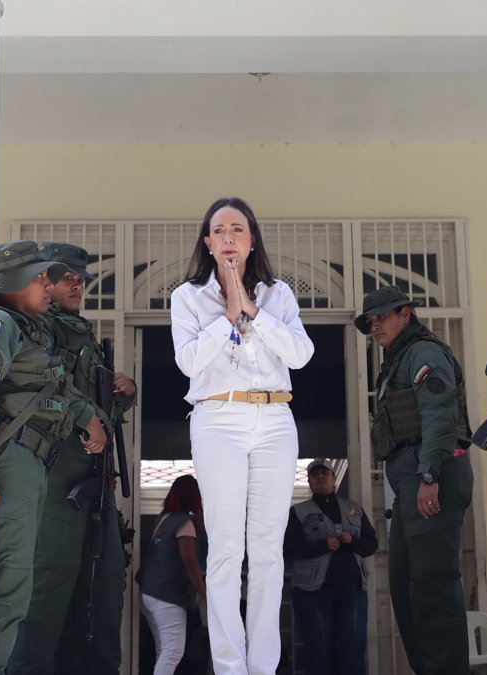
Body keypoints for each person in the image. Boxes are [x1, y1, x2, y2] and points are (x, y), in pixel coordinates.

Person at [0, 240, 105, 675]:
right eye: (38, 278)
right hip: (7, 467)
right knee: (2, 593)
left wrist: (87, 416)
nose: (48, 286)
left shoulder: (29, 329)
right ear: (10, 283)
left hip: (30, 465)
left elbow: (48, 390)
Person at [170, 196, 315, 675]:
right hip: (218, 419)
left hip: (275, 419)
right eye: (219, 230)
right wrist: (228, 316)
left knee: (268, 550)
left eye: (238, 228)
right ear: (208, 243)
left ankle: (264, 667)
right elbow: (189, 362)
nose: (229, 236)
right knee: (228, 548)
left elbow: (299, 355)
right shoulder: (187, 297)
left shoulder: (279, 295)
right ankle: (231, 667)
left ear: (251, 240)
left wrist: (251, 309)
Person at [9, 243, 137, 675]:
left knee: (101, 591)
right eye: (68, 278)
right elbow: (31, 392)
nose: (78, 285)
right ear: (45, 280)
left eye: (82, 279)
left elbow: (103, 417)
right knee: (48, 584)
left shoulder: (83, 337)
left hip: (91, 483)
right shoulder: (36, 331)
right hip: (53, 477)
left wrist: (124, 393)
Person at [357, 285, 474, 675]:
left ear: (405, 314)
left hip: (432, 473)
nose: (374, 327)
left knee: (433, 586)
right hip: (412, 480)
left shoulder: (423, 353)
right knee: (407, 587)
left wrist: (429, 475)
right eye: (370, 321)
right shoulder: (398, 359)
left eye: (381, 317)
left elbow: (439, 417)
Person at [283, 459, 378, 675]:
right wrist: (322, 545)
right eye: (314, 474)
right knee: (318, 648)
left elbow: (371, 544)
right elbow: (288, 547)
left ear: (334, 479)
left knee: (353, 649)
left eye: (324, 473)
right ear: (309, 482)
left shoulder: (354, 508)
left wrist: (352, 541)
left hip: (352, 590)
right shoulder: (297, 511)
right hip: (311, 592)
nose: (320, 477)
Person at [137, 475, 209, 675]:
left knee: (164, 650)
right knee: (173, 652)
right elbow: (190, 560)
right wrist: (204, 594)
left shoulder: (165, 518)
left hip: (149, 592)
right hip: (167, 596)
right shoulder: (185, 523)